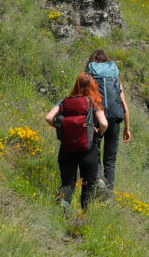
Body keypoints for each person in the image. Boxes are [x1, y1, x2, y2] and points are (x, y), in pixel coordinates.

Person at [45, 72, 108, 215]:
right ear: (93, 87)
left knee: (68, 182)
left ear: (76, 85)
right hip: (88, 149)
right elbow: (104, 123)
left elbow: (48, 117)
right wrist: (98, 132)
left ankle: (63, 206)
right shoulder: (93, 103)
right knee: (89, 183)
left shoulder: (65, 102)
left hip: (67, 148)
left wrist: (62, 128)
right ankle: (84, 215)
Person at [86, 50, 131, 192]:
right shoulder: (114, 76)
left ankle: (99, 178)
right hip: (115, 118)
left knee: (93, 150)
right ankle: (108, 196)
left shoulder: (89, 75)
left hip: (97, 118)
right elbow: (124, 105)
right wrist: (127, 129)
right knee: (110, 160)